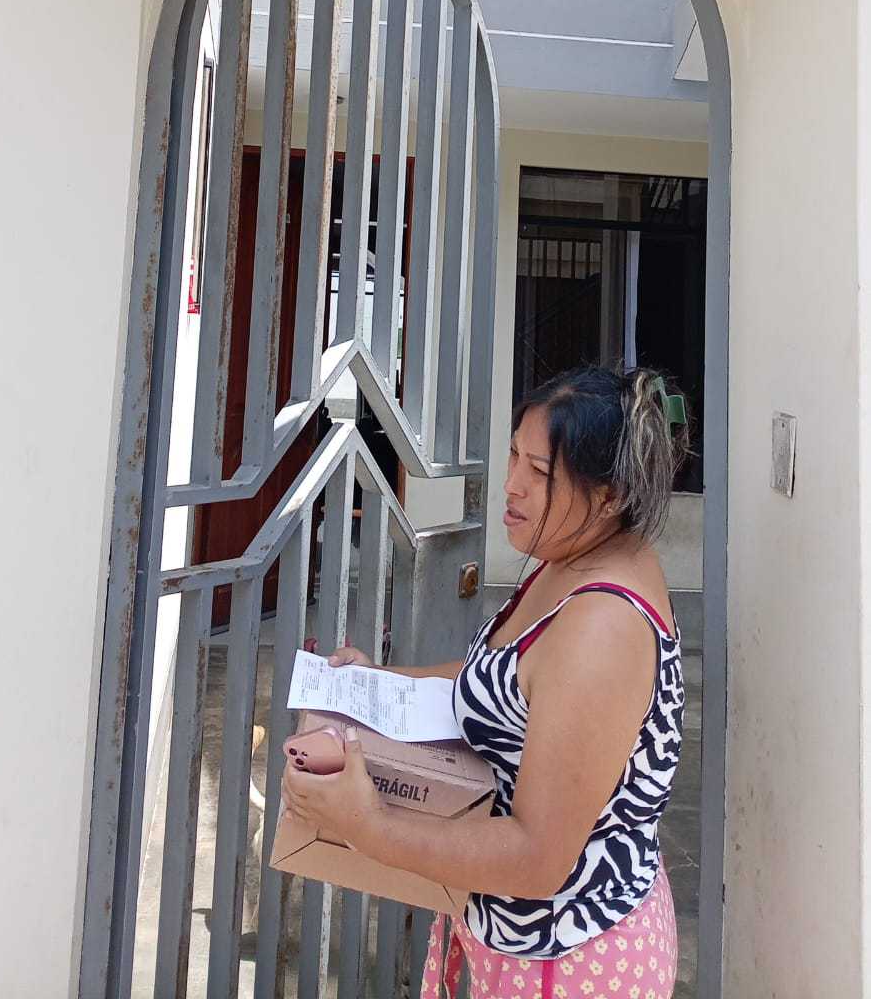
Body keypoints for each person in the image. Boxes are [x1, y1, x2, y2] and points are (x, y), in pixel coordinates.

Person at [282, 367, 687, 999]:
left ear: (608, 496)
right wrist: (378, 683)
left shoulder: (602, 627)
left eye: (540, 472)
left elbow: (537, 856)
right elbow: (506, 677)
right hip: (518, 941)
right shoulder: (574, 556)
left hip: (568, 959)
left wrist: (366, 826)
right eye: (514, 456)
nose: (512, 484)